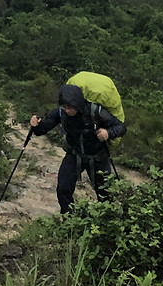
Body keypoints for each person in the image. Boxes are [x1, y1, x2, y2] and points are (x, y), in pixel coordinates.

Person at [31, 83, 126, 212]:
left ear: (78, 104)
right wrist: (35, 125)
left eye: (70, 107)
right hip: (74, 155)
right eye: (64, 106)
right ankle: (70, 222)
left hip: (97, 157)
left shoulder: (95, 111)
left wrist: (108, 133)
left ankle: (106, 223)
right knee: (63, 189)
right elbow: (42, 130)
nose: (67, 110)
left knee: (105, 193)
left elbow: (121, 127)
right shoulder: (61, 113)